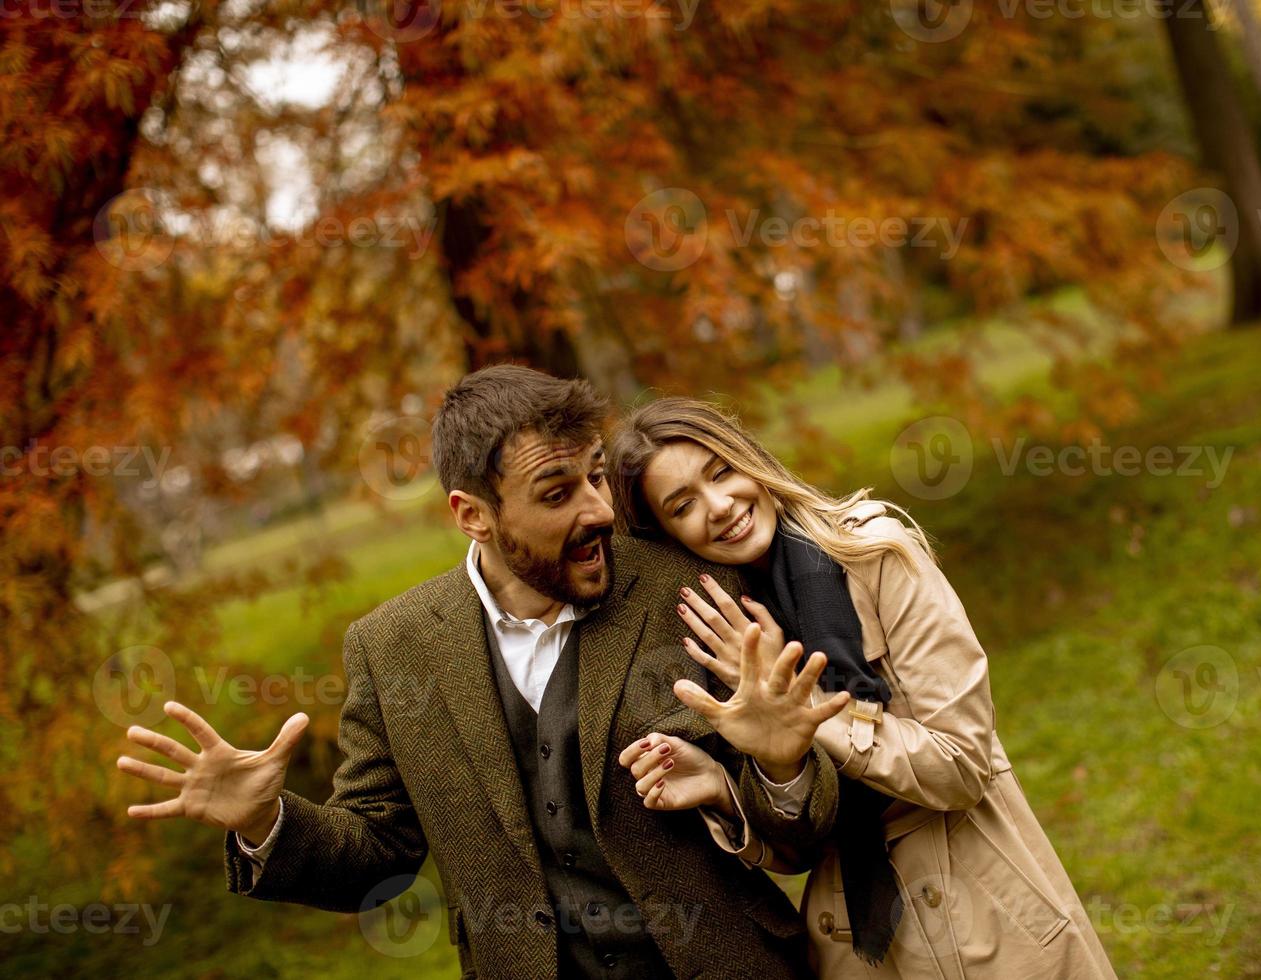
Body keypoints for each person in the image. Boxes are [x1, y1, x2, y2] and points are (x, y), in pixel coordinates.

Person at [116, 366, 850, 980]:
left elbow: (801, 836)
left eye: (597, 477)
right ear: (473, 515)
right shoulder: (393, 647)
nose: (600, 512)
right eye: (558, 494)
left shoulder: (685, 588)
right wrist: (264, 821)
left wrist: (781, 764)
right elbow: (379, 854)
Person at [608, 397, 1118, 979]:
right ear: (668, 536)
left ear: (749, 459)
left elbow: (962, 765)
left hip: (987, 913)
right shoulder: (722, 637)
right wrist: (725, 790)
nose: (720, 507)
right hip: (856, 945)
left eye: (721, 471)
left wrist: (808, 714)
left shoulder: (875, 554)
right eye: (683, 506)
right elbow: (799, 850)